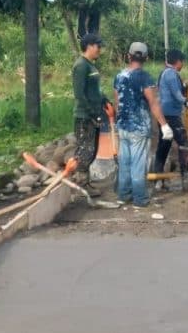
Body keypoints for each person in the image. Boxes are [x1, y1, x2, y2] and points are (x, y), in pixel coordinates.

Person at [113, 42, 173, 208]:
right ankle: (140, 199)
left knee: (125, 163)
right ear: (146, 58)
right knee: (138, 165)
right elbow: (153, 103)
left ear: (128, 55)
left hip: (123, 126)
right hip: (139, 128)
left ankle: (124, 195)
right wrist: (164, 125)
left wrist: (117, 121)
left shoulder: (119, 76)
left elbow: (117, 101)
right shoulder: (145, 78)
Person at [71, 33, 111, 195]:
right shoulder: (81, 66)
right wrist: (93, 114)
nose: (99, 49)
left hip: (94, 113)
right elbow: (79, 94)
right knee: (85, 150)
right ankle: (80, 184)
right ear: (89, 46)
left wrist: (105, 101)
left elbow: (96, 90)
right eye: (97, 46)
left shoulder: (91, 65)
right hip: (84, 116)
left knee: (92, 150)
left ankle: (84, 181)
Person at [153, 48, 188, 189]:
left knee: (164, 146)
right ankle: (186, 176)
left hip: (165, 115)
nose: (182, 65)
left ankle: (158, 179)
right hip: (171, 116)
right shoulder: (171, 74)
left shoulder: (165, 73)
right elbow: (177, 95)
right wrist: (187, 101)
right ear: (178, 61)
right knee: (183, 144)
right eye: (182, 62)